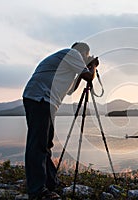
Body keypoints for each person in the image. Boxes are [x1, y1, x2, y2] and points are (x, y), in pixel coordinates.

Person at [22, 42, 98, 199]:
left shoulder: (66, 62)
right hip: (40, 98)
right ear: (83, 53)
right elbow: (89, 76)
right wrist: (93, 67)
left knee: (45, 144)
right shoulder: (73, 54)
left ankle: (50, 182)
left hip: (41, 100)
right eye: (87, 55)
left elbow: (70, 90)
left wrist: (82, 71)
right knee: (38, 145)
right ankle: (37, 191)